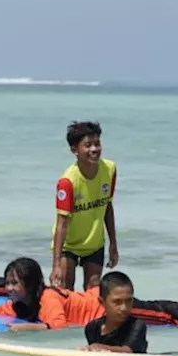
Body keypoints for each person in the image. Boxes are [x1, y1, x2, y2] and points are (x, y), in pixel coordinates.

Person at [0, 258, 178, 332]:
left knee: (160, 314)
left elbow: (58, 327)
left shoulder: (47, 299)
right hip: (105, 310)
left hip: (107, 306)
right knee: (157, 311)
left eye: (15, 284)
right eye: (7, 283)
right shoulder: (19, 303)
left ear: (31, 285)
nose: (9, 288)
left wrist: (24, 329)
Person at [50, 121, 118, 291]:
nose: (94, 149)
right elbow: (62, 224)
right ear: (74, 150)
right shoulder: (67, 182)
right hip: (69, 246)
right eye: (87, 145)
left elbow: (107, 207)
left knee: (94, 292)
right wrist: (56, 264)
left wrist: (113, 244)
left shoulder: (109, 169)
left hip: (94, 244)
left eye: (97, 143)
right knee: (65, 290)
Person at [83, 271, 149, 353]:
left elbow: (127, 351)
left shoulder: (137, 325)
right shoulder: (92, 328)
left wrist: (97, 347)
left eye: (129, 301)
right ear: (101, 302)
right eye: (117, 302)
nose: (124, 308)